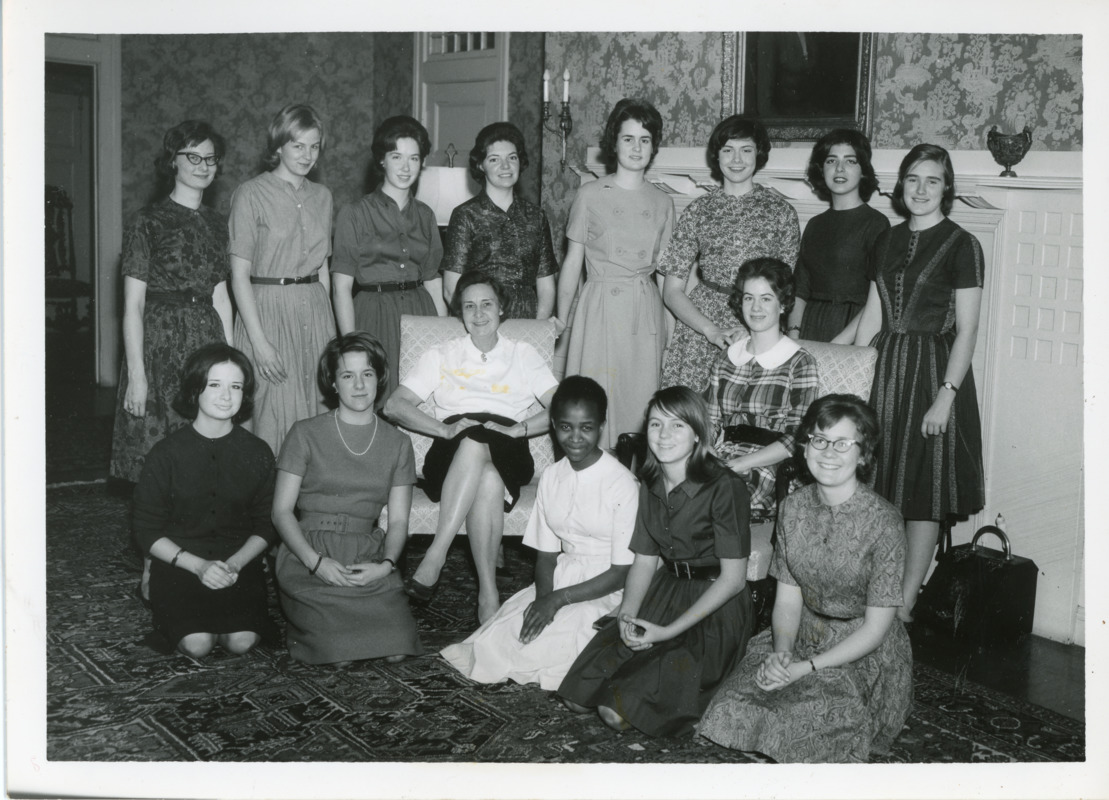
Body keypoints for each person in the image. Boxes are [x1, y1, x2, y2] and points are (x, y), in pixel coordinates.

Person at [700, 395, 912, 763]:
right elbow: (787, 599)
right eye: (819, 440)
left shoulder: (885, 522)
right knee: (729, 710)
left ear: (863, 455)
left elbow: (877, 629)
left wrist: (804, 668)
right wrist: (782, 652)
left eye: (843, 443)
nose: (828, 452)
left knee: (808, 723)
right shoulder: (794, 508)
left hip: (861, 647)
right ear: (805, 446)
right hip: (799, 633)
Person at [836, 143, 985, 622]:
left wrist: (947, 395)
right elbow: (873, 314)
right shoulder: (887, 238)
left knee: (923, 489)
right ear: (900, 184)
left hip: (931, 371)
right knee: (877, 481)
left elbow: (968, 329)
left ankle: (905, 603)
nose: (921, 189)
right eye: (913, 179)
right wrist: (850, 376)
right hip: (884, 366)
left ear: (947, 187)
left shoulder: (964, 245)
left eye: (933, 180)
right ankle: (871, 592)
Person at [557, 387, 753, 737]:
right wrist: (627, 614)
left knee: (614, 712)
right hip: (665, 592)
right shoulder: (648, 482)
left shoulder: (726, 487)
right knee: (576, 696)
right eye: (656, 424)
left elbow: (734, 580)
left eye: (677, 426)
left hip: (713, 609)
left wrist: (668, 632)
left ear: (697, 433)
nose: (664, 435)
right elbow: (645, 560)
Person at [440, 376, 638, 690]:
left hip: (607, 588)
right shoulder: (551, 477)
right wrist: (544, 598)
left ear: (601, 426)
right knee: (503, 638)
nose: (575, 438)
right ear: (554, 425)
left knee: (569, 639)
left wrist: (558, 600)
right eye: (565, 427)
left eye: (586, 427)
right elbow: (546, 556)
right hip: (561, 578)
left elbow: (621, 573)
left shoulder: (622, 484)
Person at [385, 272, 559, 624]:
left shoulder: (522, 354)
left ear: (501, 309)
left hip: (508, 441)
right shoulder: (442, 354)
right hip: (451, 448)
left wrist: (522, 428)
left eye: (486, 304)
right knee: (487, 477)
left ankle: (436, 553)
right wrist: (443, 429)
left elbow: (562, 406)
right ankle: (488, 593)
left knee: (480, 442)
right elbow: (394, 405)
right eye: (469, 306)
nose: (478, 314)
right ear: (459, 313)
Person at [110, 120, 234, 605]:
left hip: (204, 342)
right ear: (173, 163)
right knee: (159, 459)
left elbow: (222, 296)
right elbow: (133, 305)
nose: (203, 167)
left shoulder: (218, 223)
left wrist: (229, 359)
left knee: (204, 455)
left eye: (210, 158)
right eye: (192, 157)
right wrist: (137, 376)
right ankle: (152, 563)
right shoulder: (147, 220)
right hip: (160, 346)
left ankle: (203, 557)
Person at [271, 333, 422, 665]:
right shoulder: (305, 433)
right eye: (347, 375)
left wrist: (385, 566)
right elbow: (281, 512)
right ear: (334, 383)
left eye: (367, 374)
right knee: (338, 653)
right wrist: (316, 563)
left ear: (379, 379)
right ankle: (308, 624)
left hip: (366, 554)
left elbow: (398, 521)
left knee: (398, 647)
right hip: (308, 553)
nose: (359, 385)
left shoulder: (397, 444)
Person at [132, 343, 276, 657]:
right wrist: (199, 567)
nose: (226, 395)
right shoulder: (166, 454)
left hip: (237, 563)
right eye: (215, 384)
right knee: (197, 645)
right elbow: (146, 531)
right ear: (195, 389)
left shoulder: (258, 452)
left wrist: (235, 564)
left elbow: (266, 525)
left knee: (242, 642)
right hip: (181, 563)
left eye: (235, 386)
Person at [556, 98, 675, 450]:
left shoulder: (663, 202)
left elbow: (667, 275)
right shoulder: (590, 194)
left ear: (654, 146)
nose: (636, 147)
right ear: (614, 142)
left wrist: (669, 333)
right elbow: (572, 263)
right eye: (628, 138)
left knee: (640, 402)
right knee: (596, 401)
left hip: (645, 311)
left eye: (644, 139)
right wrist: (561, 320)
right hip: (601, 308)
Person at [659, 116, 800, 393]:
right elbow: (672, 290)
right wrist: (709, 330)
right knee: (688, 417)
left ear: (758, 154)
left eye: (746, 150)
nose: (736, 159)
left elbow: (782, 291)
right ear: (717, 156)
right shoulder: (698, 210)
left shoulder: (781, 212)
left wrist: (752, 330)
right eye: (727, 150)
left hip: (757, 322)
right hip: (700, 326)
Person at [229, 103, 335, 456]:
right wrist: (259, 343)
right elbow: (239, 274)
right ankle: (268, 507)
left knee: (317, 411)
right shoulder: (250, 194)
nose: (307, 155)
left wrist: (331, 333)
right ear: (278, 146)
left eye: (314, 146)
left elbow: (323, 269)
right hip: (268, 312)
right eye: (298, 145)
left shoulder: (323, 197)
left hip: (315, 311)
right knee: (272, 411)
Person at [332, 115, 448, 395]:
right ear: (382, 160)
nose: (406, 167)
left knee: (422, 396)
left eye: (414, 158)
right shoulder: (355, 213)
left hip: (421, 314)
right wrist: (351, 343)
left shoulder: (425, 215)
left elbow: (433, 281)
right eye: (397, 157)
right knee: (376, 398)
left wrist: (445, 334)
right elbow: (341, 287)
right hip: (374, 316)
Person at [707, 258, 819, 539]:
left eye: (766, 298)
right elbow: (708, 423)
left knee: (717, 495)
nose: (755, 308)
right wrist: (704, 455)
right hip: (722, 459)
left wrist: (743, 463)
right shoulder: (726, 358)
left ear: (783, 304)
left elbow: (797, 438)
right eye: (749, 298)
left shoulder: (799, 362)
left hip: (769, 466)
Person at [443, 122, 558, 320]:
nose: (505, 166)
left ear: (520, 162)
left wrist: (538, 329)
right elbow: (450, 287)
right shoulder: (466, 215)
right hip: (482, 318)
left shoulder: (536, 216)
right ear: (481, 165)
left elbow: (546, 284)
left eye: (512, 158)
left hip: (528, 318)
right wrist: (478, 322)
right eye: (494, 159)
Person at [787, 129, 889, 342]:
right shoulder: (815, 224)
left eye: (850, 161)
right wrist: (794, 333)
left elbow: (878, 297)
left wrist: (840, 342)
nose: (839, 169)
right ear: (821, 169)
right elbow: (801, 288)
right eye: (831, 161)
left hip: (855, 330)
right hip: (811, 325)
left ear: (863, 171)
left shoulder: (876, 223)